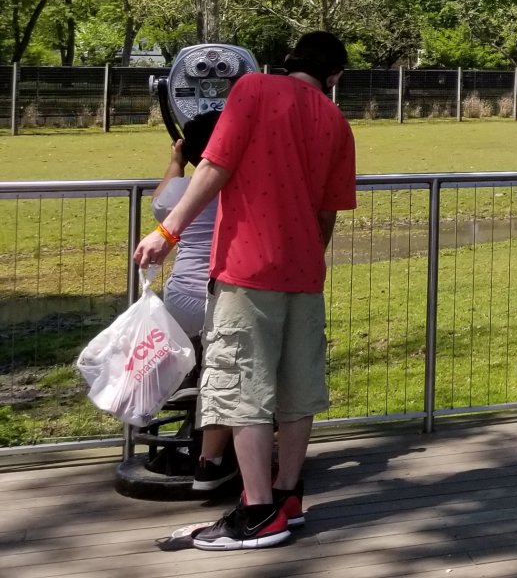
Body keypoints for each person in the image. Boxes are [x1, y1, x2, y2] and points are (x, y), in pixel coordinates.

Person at [134, 32, 357, 552]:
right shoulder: (337, 121)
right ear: (335, 76)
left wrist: (167, 232)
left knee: (242, 388)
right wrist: (307, 258)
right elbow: (327, 213)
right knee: (297, 389)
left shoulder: (254, 89)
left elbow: (214, 166)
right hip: (304, 273)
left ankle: (257, 514)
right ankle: (287, 498)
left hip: (247, 270)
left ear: (289, 61)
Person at [151, 112, 237, 493]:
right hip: (222, 294)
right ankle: (214, 446)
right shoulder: (234, 186)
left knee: (201, 348)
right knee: (224, 363)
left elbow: (159, 203)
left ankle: (189, 377)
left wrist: (175, 162)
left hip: (181, 296)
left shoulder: (179, 192)